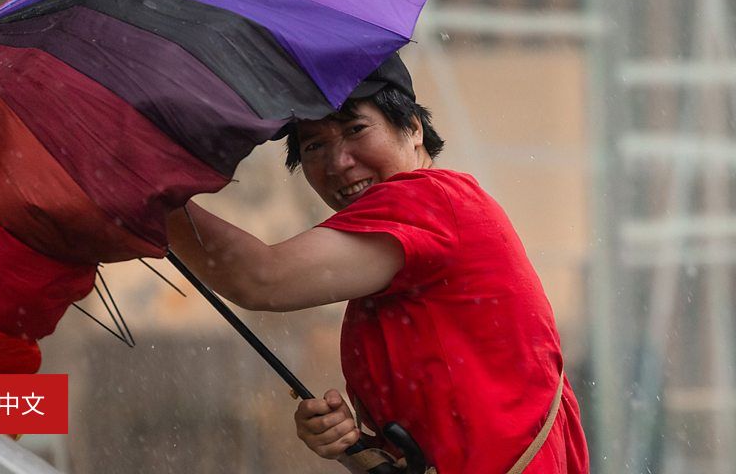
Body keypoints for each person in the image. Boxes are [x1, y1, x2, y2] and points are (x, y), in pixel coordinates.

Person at [165, 55, 589, 474]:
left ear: (414, 128)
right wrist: (354, 447)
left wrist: (148, 194)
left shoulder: (426, 200)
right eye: (314, 145)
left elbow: (261, 280)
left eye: (355, 129)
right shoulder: (405, 248)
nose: (338, 162)